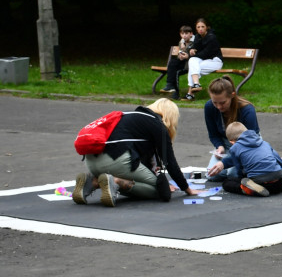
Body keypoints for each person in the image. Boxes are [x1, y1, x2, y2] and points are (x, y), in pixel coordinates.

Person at [71, 98, 200, 207]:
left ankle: (93, 181)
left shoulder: (128, 117)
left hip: (91, 161)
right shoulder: (157, 124)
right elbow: (169, 162)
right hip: (116, 161)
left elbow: (141, 161)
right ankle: (116, 181)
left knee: (144, 179)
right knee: (160, 190)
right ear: (170, 117)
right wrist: (186, 188)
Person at [218, 122, 282, 197]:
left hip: (260, 182)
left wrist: (242, 179)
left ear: (232, 141)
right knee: (278, 181)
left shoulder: (235, 148)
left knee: (227, 183)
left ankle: (245, 188)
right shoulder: (264, 143)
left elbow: (239, 170)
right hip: (279, 179)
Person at [203, 76, 259, 182]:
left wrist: (224, 163)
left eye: (223, 102)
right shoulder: (209, 107)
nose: (219, 107)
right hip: (227, 144)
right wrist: (219, 147)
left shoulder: (247, 110)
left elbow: (251, 141)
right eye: (215, 102)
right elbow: (213, 134)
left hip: (246, 146)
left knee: (233, 175)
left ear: (232, 95)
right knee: (212, 175)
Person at [185, 17, 223, 100]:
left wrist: (191, 55)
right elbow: (195, 48)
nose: (200, 29)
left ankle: (190, 93)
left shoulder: (211, 37)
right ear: (196, 28)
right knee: (192, 61)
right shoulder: (198, 37)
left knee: (193, 68)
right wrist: (192, 50)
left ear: (207, 27)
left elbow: (206, 53)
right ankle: (196, 84)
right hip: (205, 60)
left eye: (202, 26)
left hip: (215, 61)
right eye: (198, 27)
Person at [158, 25, 195, 99]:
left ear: (191, 34)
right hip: (183, 61)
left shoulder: (195, 41)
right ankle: (170, 85)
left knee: (176, 71)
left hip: (191, 63)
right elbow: (180, 53)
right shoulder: (181, 42)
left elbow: (195, 55)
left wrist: (185, 51)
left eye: (186, 33)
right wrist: (180, 55)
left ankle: (175, 92)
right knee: (172, 63)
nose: (184, 36)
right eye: (182, 34)